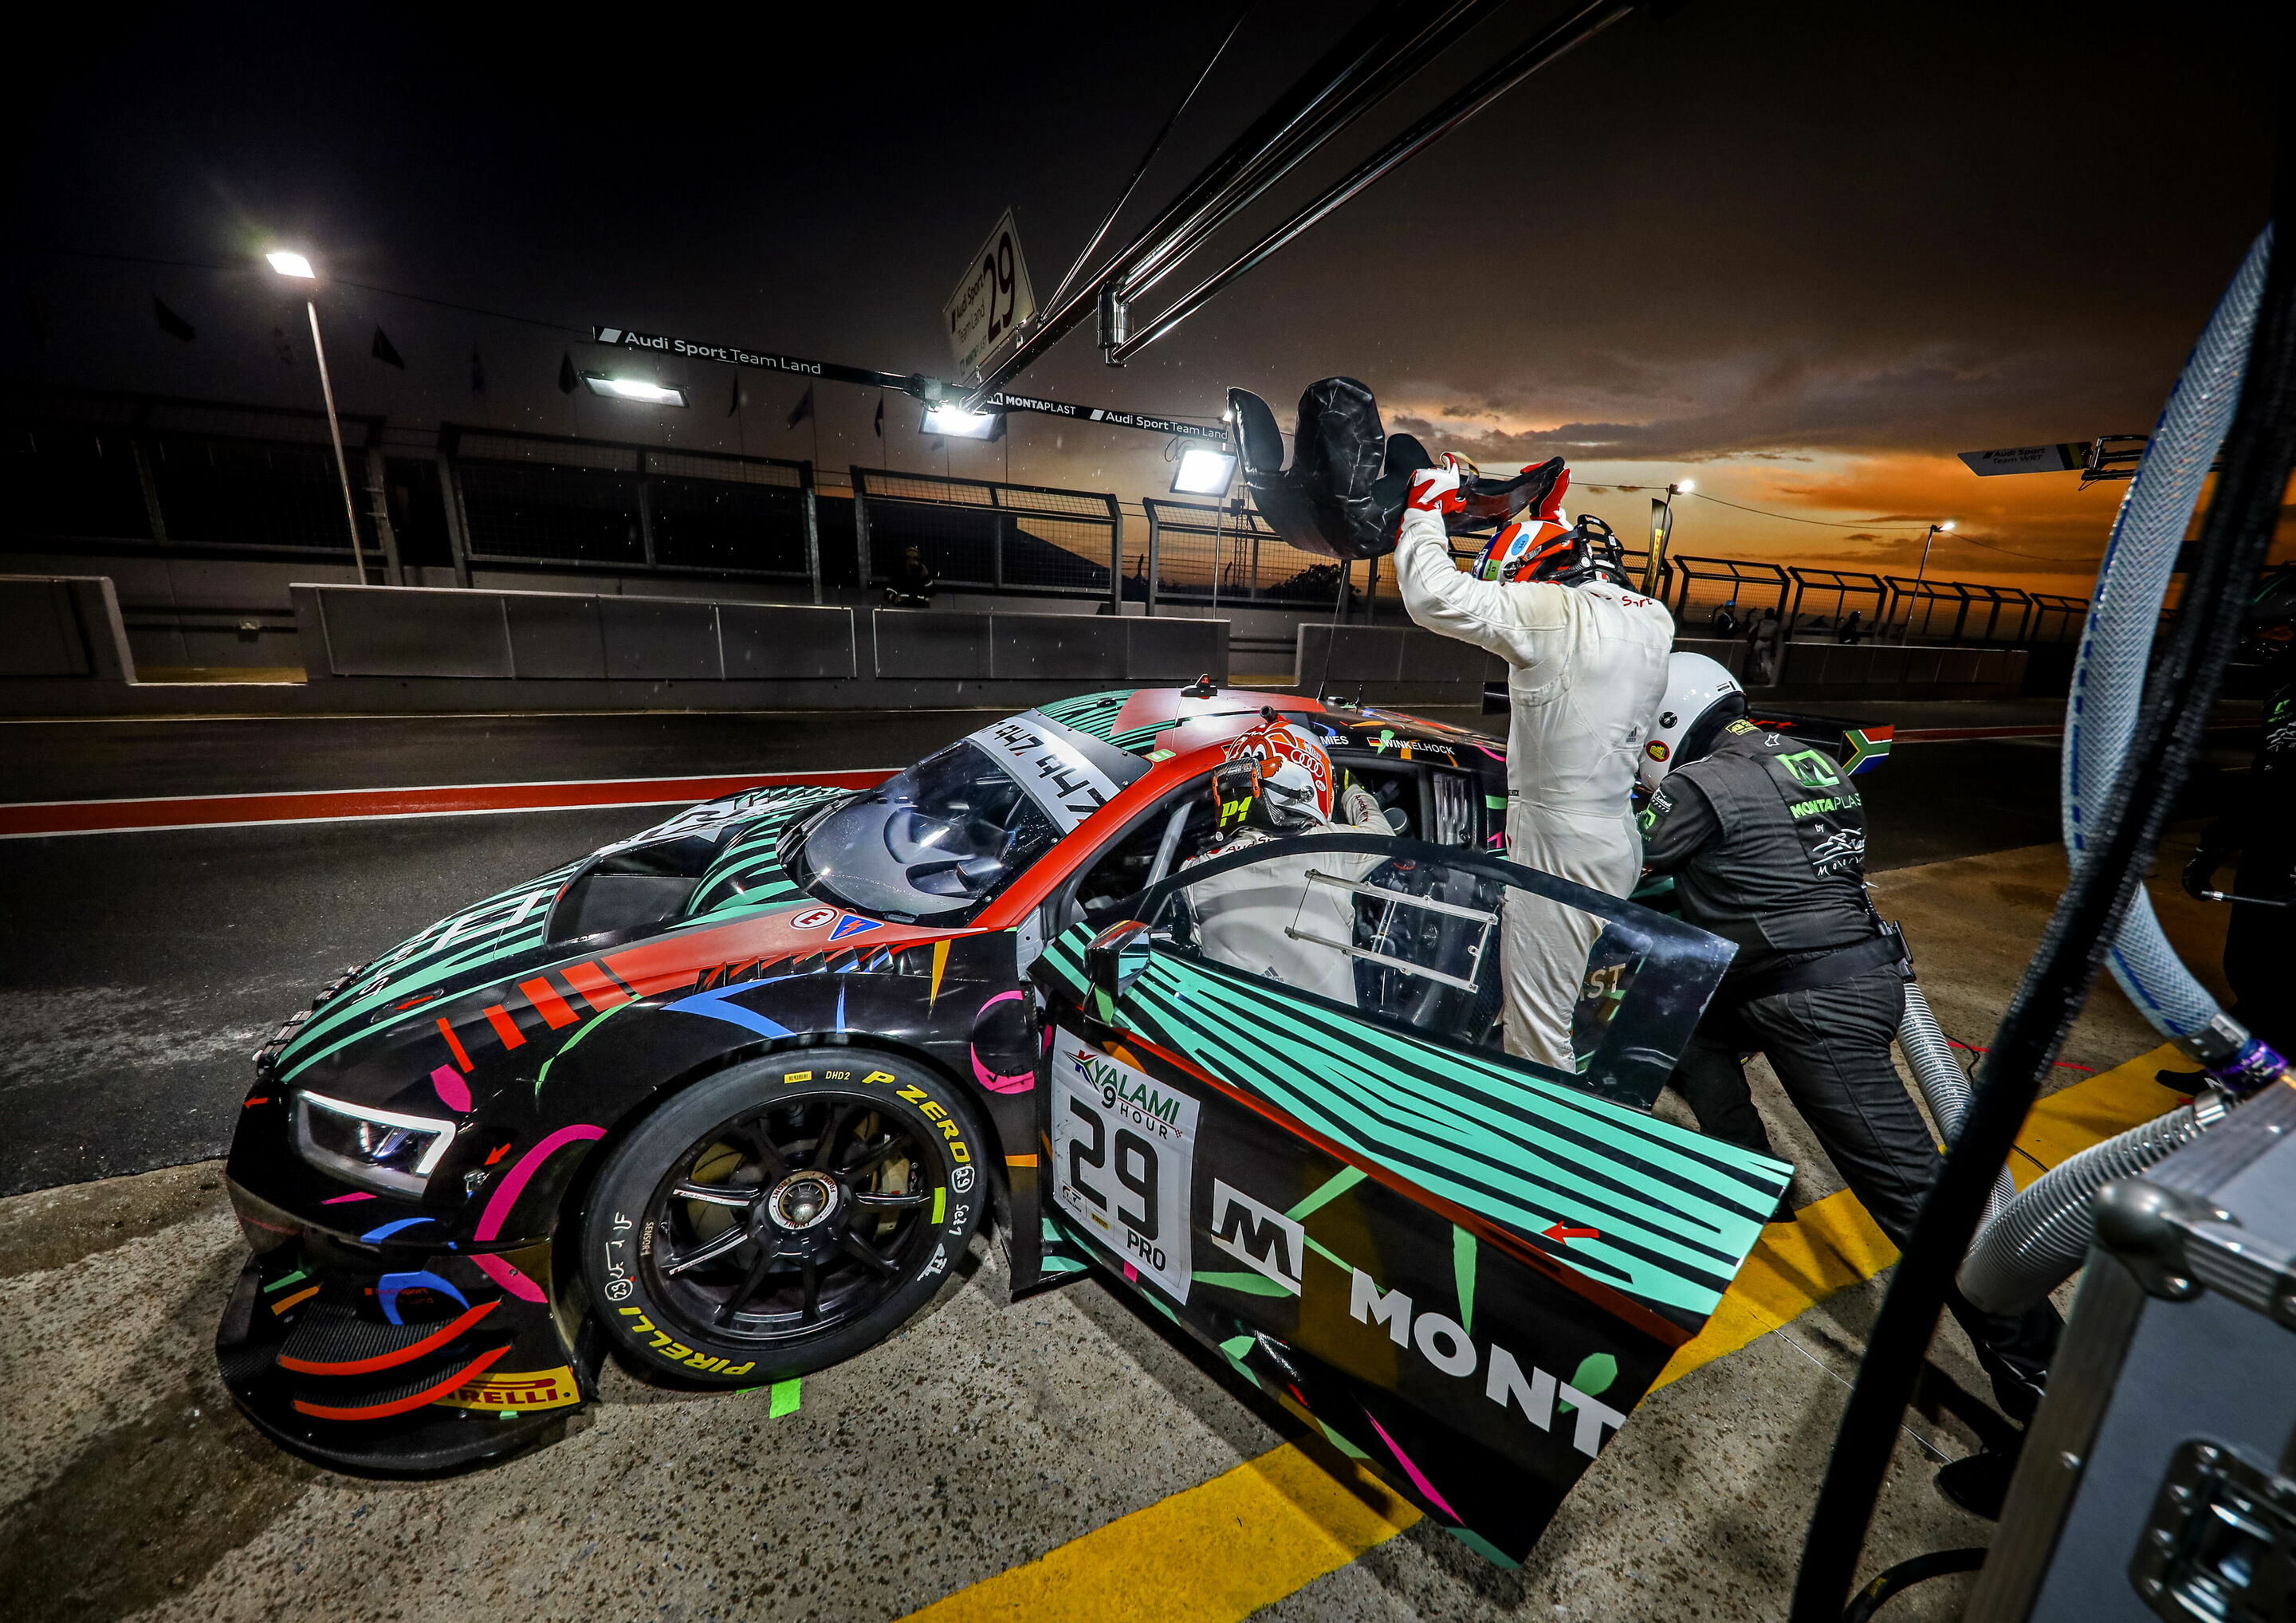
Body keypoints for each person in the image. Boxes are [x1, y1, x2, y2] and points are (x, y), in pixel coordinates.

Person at [1636, 652, 2061, 1515]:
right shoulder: (1810, 757)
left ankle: (2055, 1418)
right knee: (1689, 1030)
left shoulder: (1704, 782)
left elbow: (1613, 861)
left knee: (1926, 1206)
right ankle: (1751, 1175)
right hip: (1847, 971)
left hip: (1809, 1000)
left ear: (1668, 721)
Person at [1392, 458, 1673, 1068]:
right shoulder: (1654, 620)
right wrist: (1550, 519)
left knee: (1538, 1036)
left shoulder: (1550, 613)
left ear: (1528, 575)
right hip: (1616, 838)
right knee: (1558, 999)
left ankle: (1549, 1145)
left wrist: (1423, 513)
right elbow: (1584, 600)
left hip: (1558, 846)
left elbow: (1432, 596)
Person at [2172, 573, 2295, 1074]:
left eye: (2277, 634)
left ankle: (2261, 1081)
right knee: (2250, 966)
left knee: (2270, 970)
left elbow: (2276, 781)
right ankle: (2239, 1067)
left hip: (2286, 858)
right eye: (2258, 635)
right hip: (2271, 847)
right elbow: (2265, 779)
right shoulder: (2285, 692)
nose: (2262, 645)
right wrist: (2215, 846)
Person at [1180, 717, 1391, 1007]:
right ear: (1307, 784)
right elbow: (1382, 833)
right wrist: (1352, 789)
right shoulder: (1330, 846)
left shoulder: (1193, 872)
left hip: (1232, 1042)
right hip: (1332, 1044)